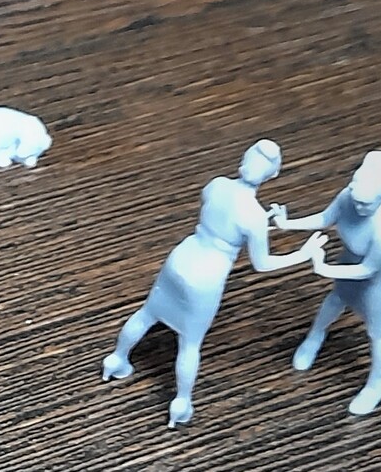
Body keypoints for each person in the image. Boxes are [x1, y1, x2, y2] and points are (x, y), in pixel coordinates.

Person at [100, 139, 322, 428]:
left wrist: (255, 226)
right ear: (272, 175)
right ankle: (181, 402)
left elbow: (220, 216)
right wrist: (302, 254)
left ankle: (116, 359)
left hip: (184, 255)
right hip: (207, 274)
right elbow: (262, 263)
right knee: (189, 344)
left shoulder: (217, 185)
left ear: (244, 161)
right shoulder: (254, 216)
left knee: (147, 314)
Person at [269, 149, 381, 415]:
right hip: (348, 260)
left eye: (367, 204)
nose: (359, 207)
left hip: (378, 278)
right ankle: (315, 337)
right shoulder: (347, 198)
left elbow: (366, 270)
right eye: (357, 201)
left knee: (377, 331)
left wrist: (325, 268)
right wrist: (287, 224)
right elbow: (324, 219)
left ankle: (377, 383)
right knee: (336, 299)